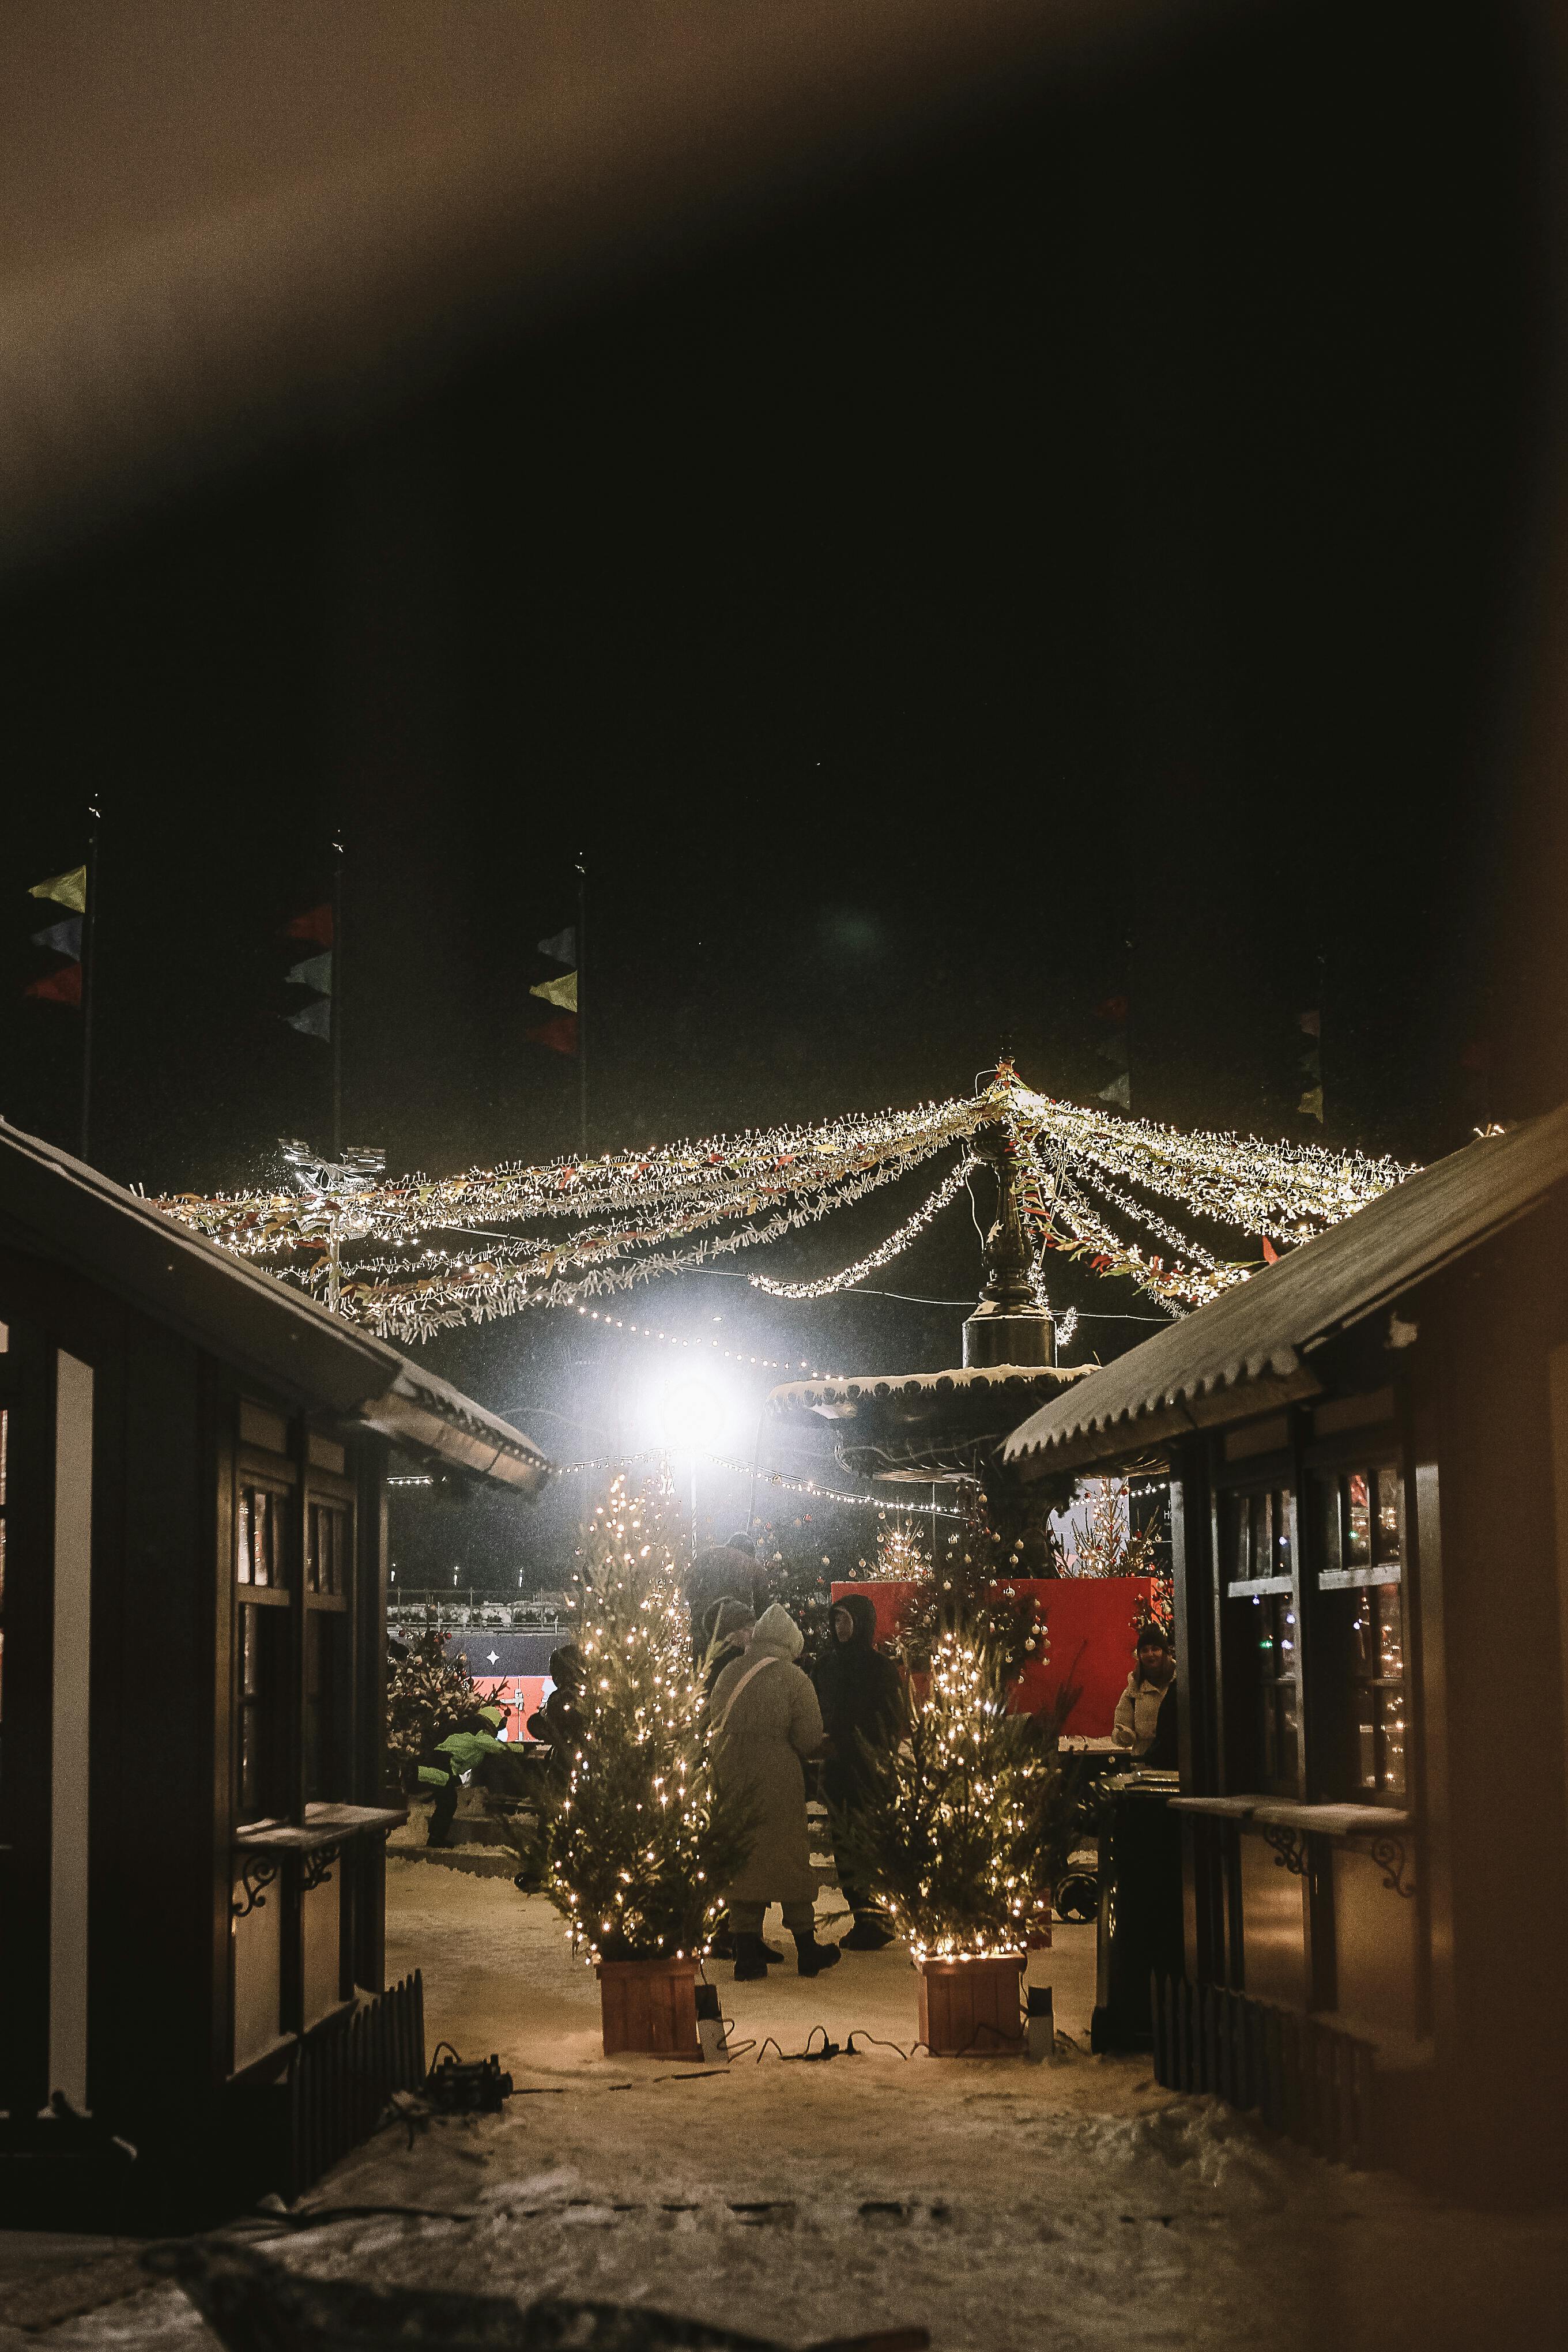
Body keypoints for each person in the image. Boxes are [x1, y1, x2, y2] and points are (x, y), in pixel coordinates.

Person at [706, 1601, 840, 1980]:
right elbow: (809, 1737)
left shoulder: (731, 1670)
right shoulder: (794, 1679)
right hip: (776, 1774)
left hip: (728, 1769)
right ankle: (807, 1949)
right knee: (788, 1854)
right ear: (791, 1645)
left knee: (742, 1855)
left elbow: (714, 1717)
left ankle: (746, 1952)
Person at [813, 1592, 904, 1949]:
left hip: (868, 1771)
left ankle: (876, 1918)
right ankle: (864, 1916)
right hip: (838, 1772)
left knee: (869, 1846)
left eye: (847, 1621)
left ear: (863, 1623)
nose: (841, 1628)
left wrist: (865, 1746)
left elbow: (891, 1720)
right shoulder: (826, 1666)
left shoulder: (881, 1669)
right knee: (844, 1847)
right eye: (837, 1621)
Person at [419, 1705, 508, 1846]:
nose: (495, 1733)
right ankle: (436, 1838)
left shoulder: (469, 1726)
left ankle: (435, 1837)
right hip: (445, 1762)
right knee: (448, 1800)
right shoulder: (479, 1730)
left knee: (446, 1799)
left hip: (442, 1760)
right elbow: (488, 1744)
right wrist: (514, 1748)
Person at [1113, 1623, 1176, 1757]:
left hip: (1176, 1761)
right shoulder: (1133, 1690)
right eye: (1145, 1650)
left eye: (1155, 1649)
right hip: (1145, 1763)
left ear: (1165, 1653)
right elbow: (1122, 1725)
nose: (1150, 1654)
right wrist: (1124, 1734)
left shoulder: (1179, 1684)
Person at [702, 1596, 755, 1696]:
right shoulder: (725, 1671)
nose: (753, 1632)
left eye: (753, 1624)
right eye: (746, 1628)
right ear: (731, 1637)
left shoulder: (755, 1658)